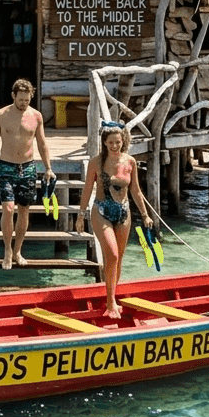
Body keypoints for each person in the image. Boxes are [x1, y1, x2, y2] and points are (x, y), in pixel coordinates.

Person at [76, 121, 156, 320]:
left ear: (123, 141)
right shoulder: (96, 162)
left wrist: (145, 215)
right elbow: (87, 189)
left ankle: (111, 296)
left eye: (117, 142)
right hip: (101, 210)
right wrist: (80, 214)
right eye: (110, 142)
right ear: (104, 142)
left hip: (124, 212)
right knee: (111, 254)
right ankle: (111, 302)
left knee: (118, 259)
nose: (114, 146)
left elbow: (136, 190)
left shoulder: (130, 162)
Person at [0, 78, 56, 269]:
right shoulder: (1, 115)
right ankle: (7, 251)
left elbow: (42, 143)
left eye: (27, 100)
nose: (24, 103)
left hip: (28, 167)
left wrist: (49, 168)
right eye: (21, 100)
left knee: (24, 210)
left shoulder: (36, 116)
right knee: (8, 208)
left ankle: (18, 250)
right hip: (6, 167)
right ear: (13, 96)